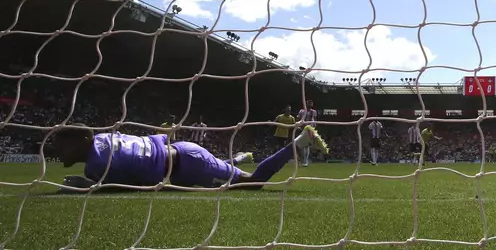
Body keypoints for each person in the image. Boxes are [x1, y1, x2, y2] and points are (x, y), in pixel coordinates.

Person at [54, 124, 328, 190]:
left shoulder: (97, 165)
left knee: (253, 183)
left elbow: (119, 187)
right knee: (219, 181)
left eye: (63, 145)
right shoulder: (103, 136)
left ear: (82, 140)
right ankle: (238, 158)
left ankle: (298, 142)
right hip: (183, 157)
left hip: (187, 164)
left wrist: (85, 186)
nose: (58, 152)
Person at [296, 100, 317, 167]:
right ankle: (301, 159)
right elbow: (298, 119)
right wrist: (298, 126)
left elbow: (315, 120)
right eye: (308, 103)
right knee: (300, 145)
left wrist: (314, 126)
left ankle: (305, 161)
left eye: (311, 103)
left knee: (307, 145)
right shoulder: (301, 111)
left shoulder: (313, 111)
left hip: (309, 129)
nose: (310, 104)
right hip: (302, 129)